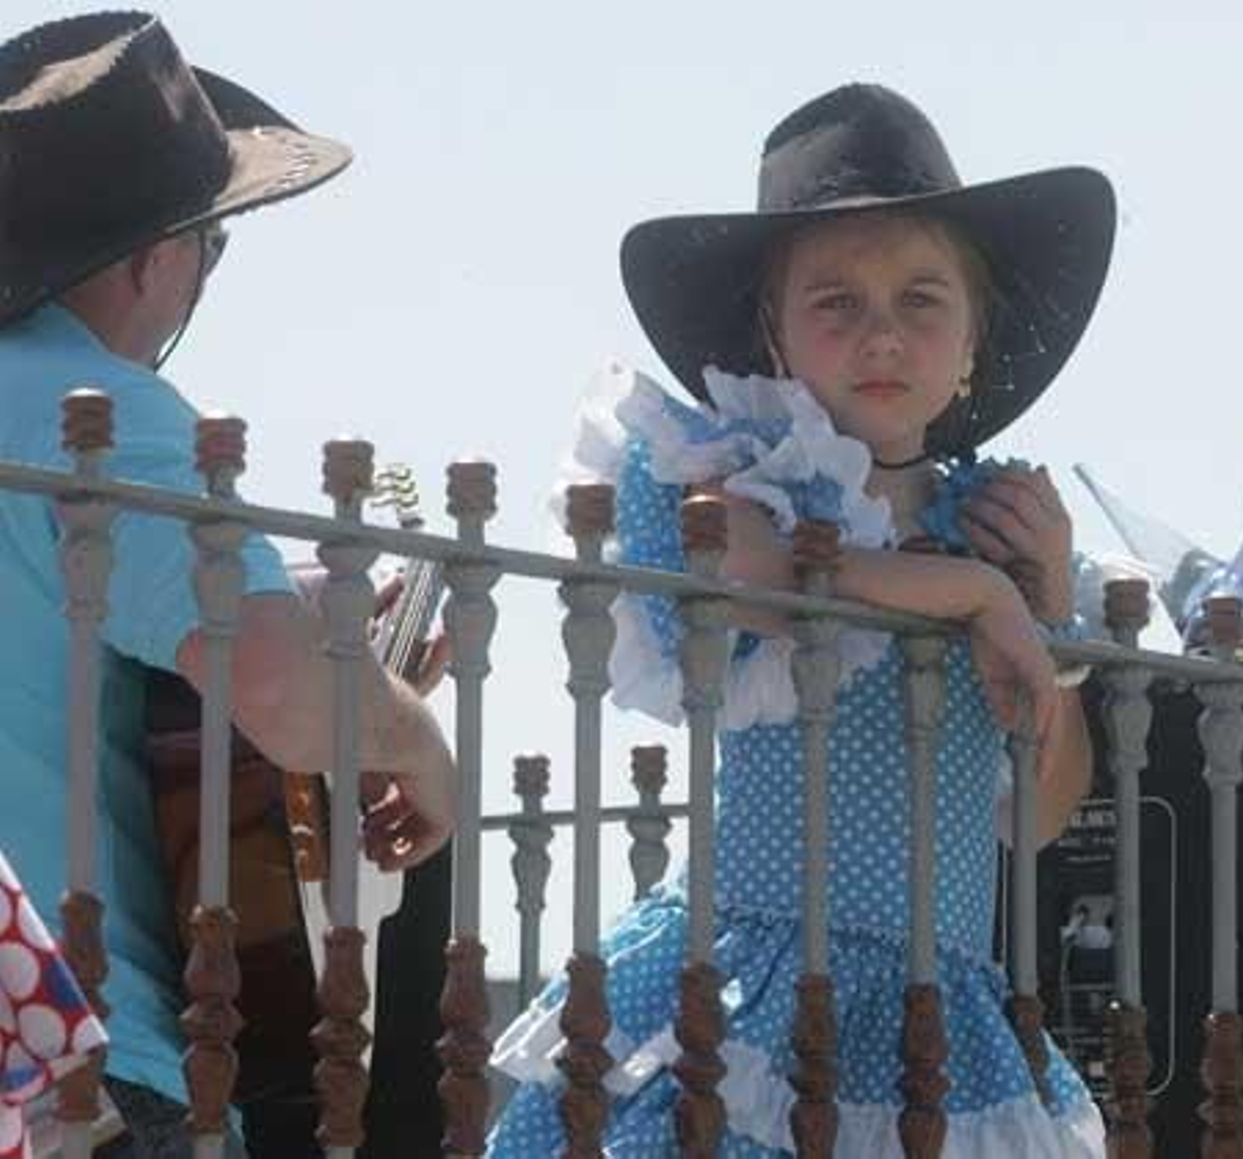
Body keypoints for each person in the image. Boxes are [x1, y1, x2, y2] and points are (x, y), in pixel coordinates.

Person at [490, 83, 1115, 1155]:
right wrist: (976, 596)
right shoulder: (742, 476)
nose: (881, 335)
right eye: (837, 302)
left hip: (938, 1002)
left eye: (921, 300)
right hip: (759, 978)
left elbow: (1044, 813)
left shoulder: (1002, 531)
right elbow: (751, 571)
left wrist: (1046, 622)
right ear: (776, 339)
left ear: (971, 344)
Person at [0, 13, 457, 1157]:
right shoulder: (107, 421)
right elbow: (284, 695)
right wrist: (414, 744)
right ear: (158, 253)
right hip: (74, 1067)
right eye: (214, 245)